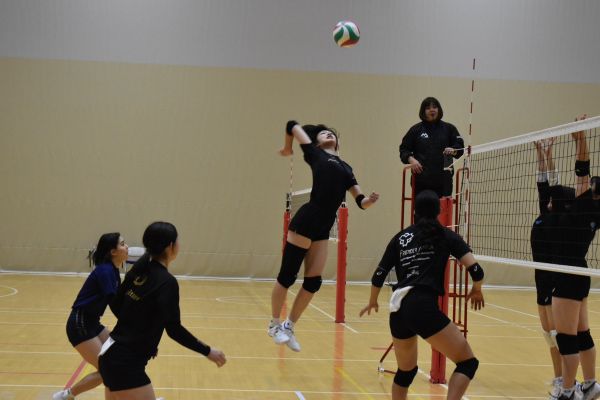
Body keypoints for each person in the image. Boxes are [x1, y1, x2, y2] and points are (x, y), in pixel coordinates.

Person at [359, 190, 484, 400]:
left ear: (415, 212)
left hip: (397, 309)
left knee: (406, 371)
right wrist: (477, 288)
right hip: (422, 305)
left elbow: (378, 275)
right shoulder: (446, 235)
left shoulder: (401, 238)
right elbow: (476, 270)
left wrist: (373, 301)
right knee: (467, 363)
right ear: (439, 211)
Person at [269, 120, 379, 352]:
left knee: (313, 282)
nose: (328, 134)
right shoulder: (315, 154)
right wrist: (288, 147)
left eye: (331, 133)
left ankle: (289, 326)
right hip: (307, 220)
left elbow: (360, 201)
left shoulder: (347, 168)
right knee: (287, 276)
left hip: (324, 226)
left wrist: (370, 200)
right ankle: (274, 325)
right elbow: (292, 125)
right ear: (316, 143)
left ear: (337, 142)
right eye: (323, 133)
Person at [98, 221, 226, 399]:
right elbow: (174, 329)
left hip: (110, 355)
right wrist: (208, 351)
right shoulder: (167, 282)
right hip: (125, 364)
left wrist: (143, 336)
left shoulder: (139, 271)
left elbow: (116, 304)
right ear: (171, 246)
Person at [549, 115, 600, 400]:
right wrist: (579, 137)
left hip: (569, 274)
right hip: (579, 272)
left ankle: (567, 392)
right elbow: (583, 169)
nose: (586, 183)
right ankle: (590, 385)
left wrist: (581, 135)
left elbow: (582, 166)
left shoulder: (584, 206)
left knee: (566, 339)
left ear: (593, 193)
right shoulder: (592, 211)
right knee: (582, 334)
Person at [53, 233, 128, 400]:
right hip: (79, 324)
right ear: (113, 251)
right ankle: (65, 396)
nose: (127, 247)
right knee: (106, 370)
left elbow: (121, 300)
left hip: (92, 323)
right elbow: (114, 303)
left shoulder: (113, 270)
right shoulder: (105, 271)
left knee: (119, 360)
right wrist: (130, 323)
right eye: (123, 244)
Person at [531, 137, 570, 395]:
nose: (547, 200)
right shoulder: (544, 214)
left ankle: (567, 381)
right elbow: (543, 181)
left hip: (555, 280)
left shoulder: (560, 219)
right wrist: (542, 153)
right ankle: (558, 378)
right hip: (541, 279)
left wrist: (551, 156)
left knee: (557, 334)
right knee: (548, 335)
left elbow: (554, 182)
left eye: (552, 200)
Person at [399, 97, 464, 197]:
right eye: (428, 108)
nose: (432, 110)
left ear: (439, 109)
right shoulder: (415, 130)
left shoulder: (449, 128)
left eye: (434, 107)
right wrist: (411, 159)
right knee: (423, 207)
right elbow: (403, 149)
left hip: (444, 182)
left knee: (443, 208)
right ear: (423, 111)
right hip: (421, 182)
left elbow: (460, 148)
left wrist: (453, 150)